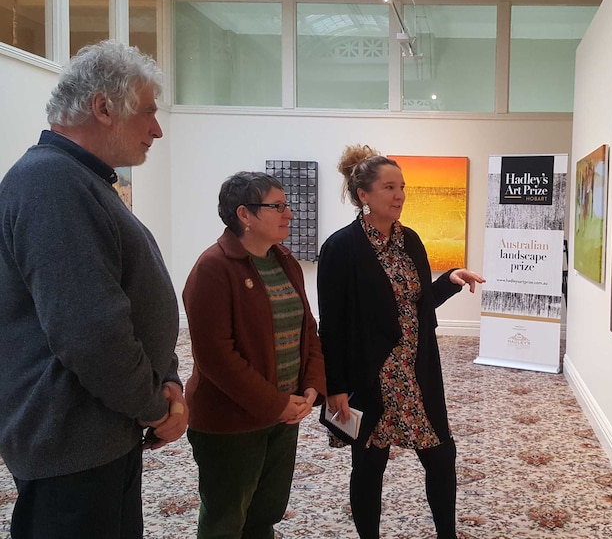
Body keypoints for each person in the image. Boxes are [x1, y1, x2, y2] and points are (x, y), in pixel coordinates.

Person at [0, 40, 187, 539]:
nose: (157, 128)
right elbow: (90, 331)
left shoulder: (81, 180)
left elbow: (132, 298)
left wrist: (166, 378)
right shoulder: (51, 184)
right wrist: (155, 404)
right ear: (104, 107)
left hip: (99, 433)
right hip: (69, 444)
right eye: (148, 111)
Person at [317, 144, 485, 539]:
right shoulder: (340, 249)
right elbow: (333, 325)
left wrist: (449, 281)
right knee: (370, 465)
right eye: (390, 187)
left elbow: (417, 303)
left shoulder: (409, 240)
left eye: (402, 187)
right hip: (372, 376)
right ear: (364, 195)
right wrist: (336, 387)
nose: (399, 196)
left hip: (416, 371)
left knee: (442, 457)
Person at [182, 171, 326, 539]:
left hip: (283, 415)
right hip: (230, 423)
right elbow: (216, 357)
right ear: (244, 214)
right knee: (225, 521)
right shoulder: (213, 268)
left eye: (287, 205)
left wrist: (311, 385)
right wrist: (273, 404)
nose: (289, 214)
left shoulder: (284, 260)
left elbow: (306, 327)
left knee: (265, 515)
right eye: (277, 206)